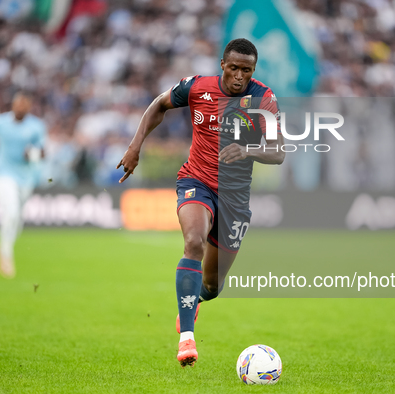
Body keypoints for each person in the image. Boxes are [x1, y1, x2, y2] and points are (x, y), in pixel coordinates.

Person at [116, 38, 284, 367]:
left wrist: (247, 150)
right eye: (234, 68)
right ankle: (187, 338)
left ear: (253, 71)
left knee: (212, 285)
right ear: (223, 64)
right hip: (196, 180)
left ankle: (195, 300)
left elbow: (278, 152)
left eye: (246, 71)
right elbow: (158, 105)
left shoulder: (264, 99)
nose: (239, 76)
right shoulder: (197, 88)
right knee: (193, 242)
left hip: (235, 199)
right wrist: (136, 146)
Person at [0, 92, 46, 278]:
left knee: (18, 220)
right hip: (3, 173)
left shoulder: (36, 126)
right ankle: (6, 255)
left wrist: (32, 154)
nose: (21, 107)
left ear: (29, 107)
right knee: (11, 211)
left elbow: (42, 152)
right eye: (18, 104)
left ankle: (4, 246)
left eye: (24, 105)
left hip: (26, 177)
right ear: (13, 105)